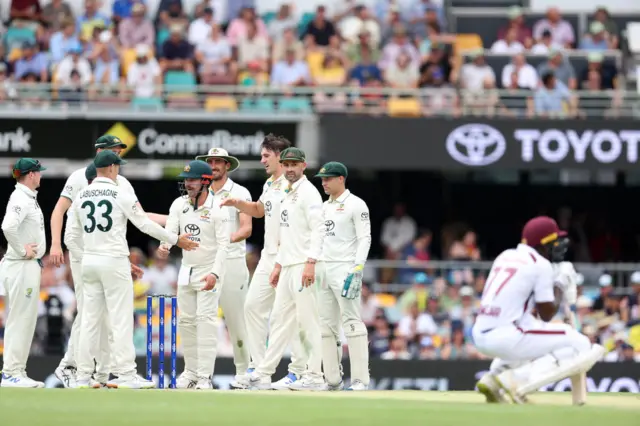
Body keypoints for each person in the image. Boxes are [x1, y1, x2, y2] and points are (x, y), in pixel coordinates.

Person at [67, 151, 198, 389]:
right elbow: (144, 224)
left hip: (89, 263)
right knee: (120, 318)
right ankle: (126, 374)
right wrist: (175, 239)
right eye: (117, 166)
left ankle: (83, 376)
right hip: (114, 261)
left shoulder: (81, 195)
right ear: (110, 168)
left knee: (89, 319)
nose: (119, 170)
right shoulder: (119, 192)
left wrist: (87, 254)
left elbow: (70, 237)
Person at [50, 135, 166, 387]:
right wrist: (56, 245)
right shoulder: (81, 177)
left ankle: (97, 373)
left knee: (95, 317)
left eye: (119, 151)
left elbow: (136, 216)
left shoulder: (120, 181)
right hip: (89, 257)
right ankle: (72, 367)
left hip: (96, 258)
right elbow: (60, 212)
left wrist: (118, 258)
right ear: (101, 153)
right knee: (95, 315)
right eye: (114, 151)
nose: (118, 156)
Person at [472, 216, 605, 403]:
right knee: (579, 343)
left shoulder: (505, 256)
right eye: (555, 241)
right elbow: (547, 314)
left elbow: (528, 309)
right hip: (507, 335)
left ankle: (495, 375)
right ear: (544, 243)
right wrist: (560, 283)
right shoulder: (540, 265)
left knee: (532, 337)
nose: (558, 246)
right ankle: (514, 381)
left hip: (480, 334)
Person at [220, 134, 309, 390]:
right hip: (268, 256)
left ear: (280, 157)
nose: (262, 161)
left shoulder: (294, 186)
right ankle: (259, 370)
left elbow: (293, 226)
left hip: (289, 257)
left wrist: (282, 260)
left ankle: (298, 371)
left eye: (266, 156)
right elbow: (260, 210)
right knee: (252, 308)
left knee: (287, 316)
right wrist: (240, 204)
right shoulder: (270, 183)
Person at [246, 147, 325, 391]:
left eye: (294, 165)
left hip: (304, 266)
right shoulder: (288, 193)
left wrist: (311, 263)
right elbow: (287, 236)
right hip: (288, 265)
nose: (290, 169)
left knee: (307, 322)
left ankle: (313, 375)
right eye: (287, 164)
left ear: (303, 166)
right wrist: (279, 264)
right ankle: (264, 373)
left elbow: (319, 230)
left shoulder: (309, 193)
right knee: (279, 320)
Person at [157, 160, 230, 389]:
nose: (187, 184)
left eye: (192, 180)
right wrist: (164, 245)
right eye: (186, 179)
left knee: (206, 322)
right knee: (186, 322)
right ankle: (190, 372)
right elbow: (170, 229)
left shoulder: (218, 208)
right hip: (186, 271)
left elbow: (224, 245)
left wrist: (215, 274)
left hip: (209, 270)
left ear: (205, 181)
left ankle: (205, 377)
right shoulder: (179, 204)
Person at [194, 148, 252, 388]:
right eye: (210, 162)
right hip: (204, 263)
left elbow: (247, 228)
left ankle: (243, 374)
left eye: (219, 162)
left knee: (237, 322)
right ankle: (199, 375)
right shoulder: (199, 192)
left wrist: (224, 243)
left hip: (232, 263)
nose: (214, 165)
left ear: (227, 165)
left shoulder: (239, 192)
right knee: (201, 321)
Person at [314, 162, 372, 391]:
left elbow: (364, 238)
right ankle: (333, 379)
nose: (324, 182)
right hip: (324, 269)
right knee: (326, 326)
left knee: (352, 322)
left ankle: (360, 379)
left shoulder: (356, 204)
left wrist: (357, 268)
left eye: (328, 178)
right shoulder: (323, 207)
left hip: (345, 268)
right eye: (322, 179)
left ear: (341, 179)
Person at [0, 158, 47, 388]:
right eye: (39, 173)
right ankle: (10, 373)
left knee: (24, 320)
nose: (41, 176)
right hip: (21, 265)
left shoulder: (27, 197)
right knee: (20, 319)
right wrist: (22, 249)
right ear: (31, 175)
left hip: (25, 265)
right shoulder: (20, 198)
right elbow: (8, 226)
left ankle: (17, 370)